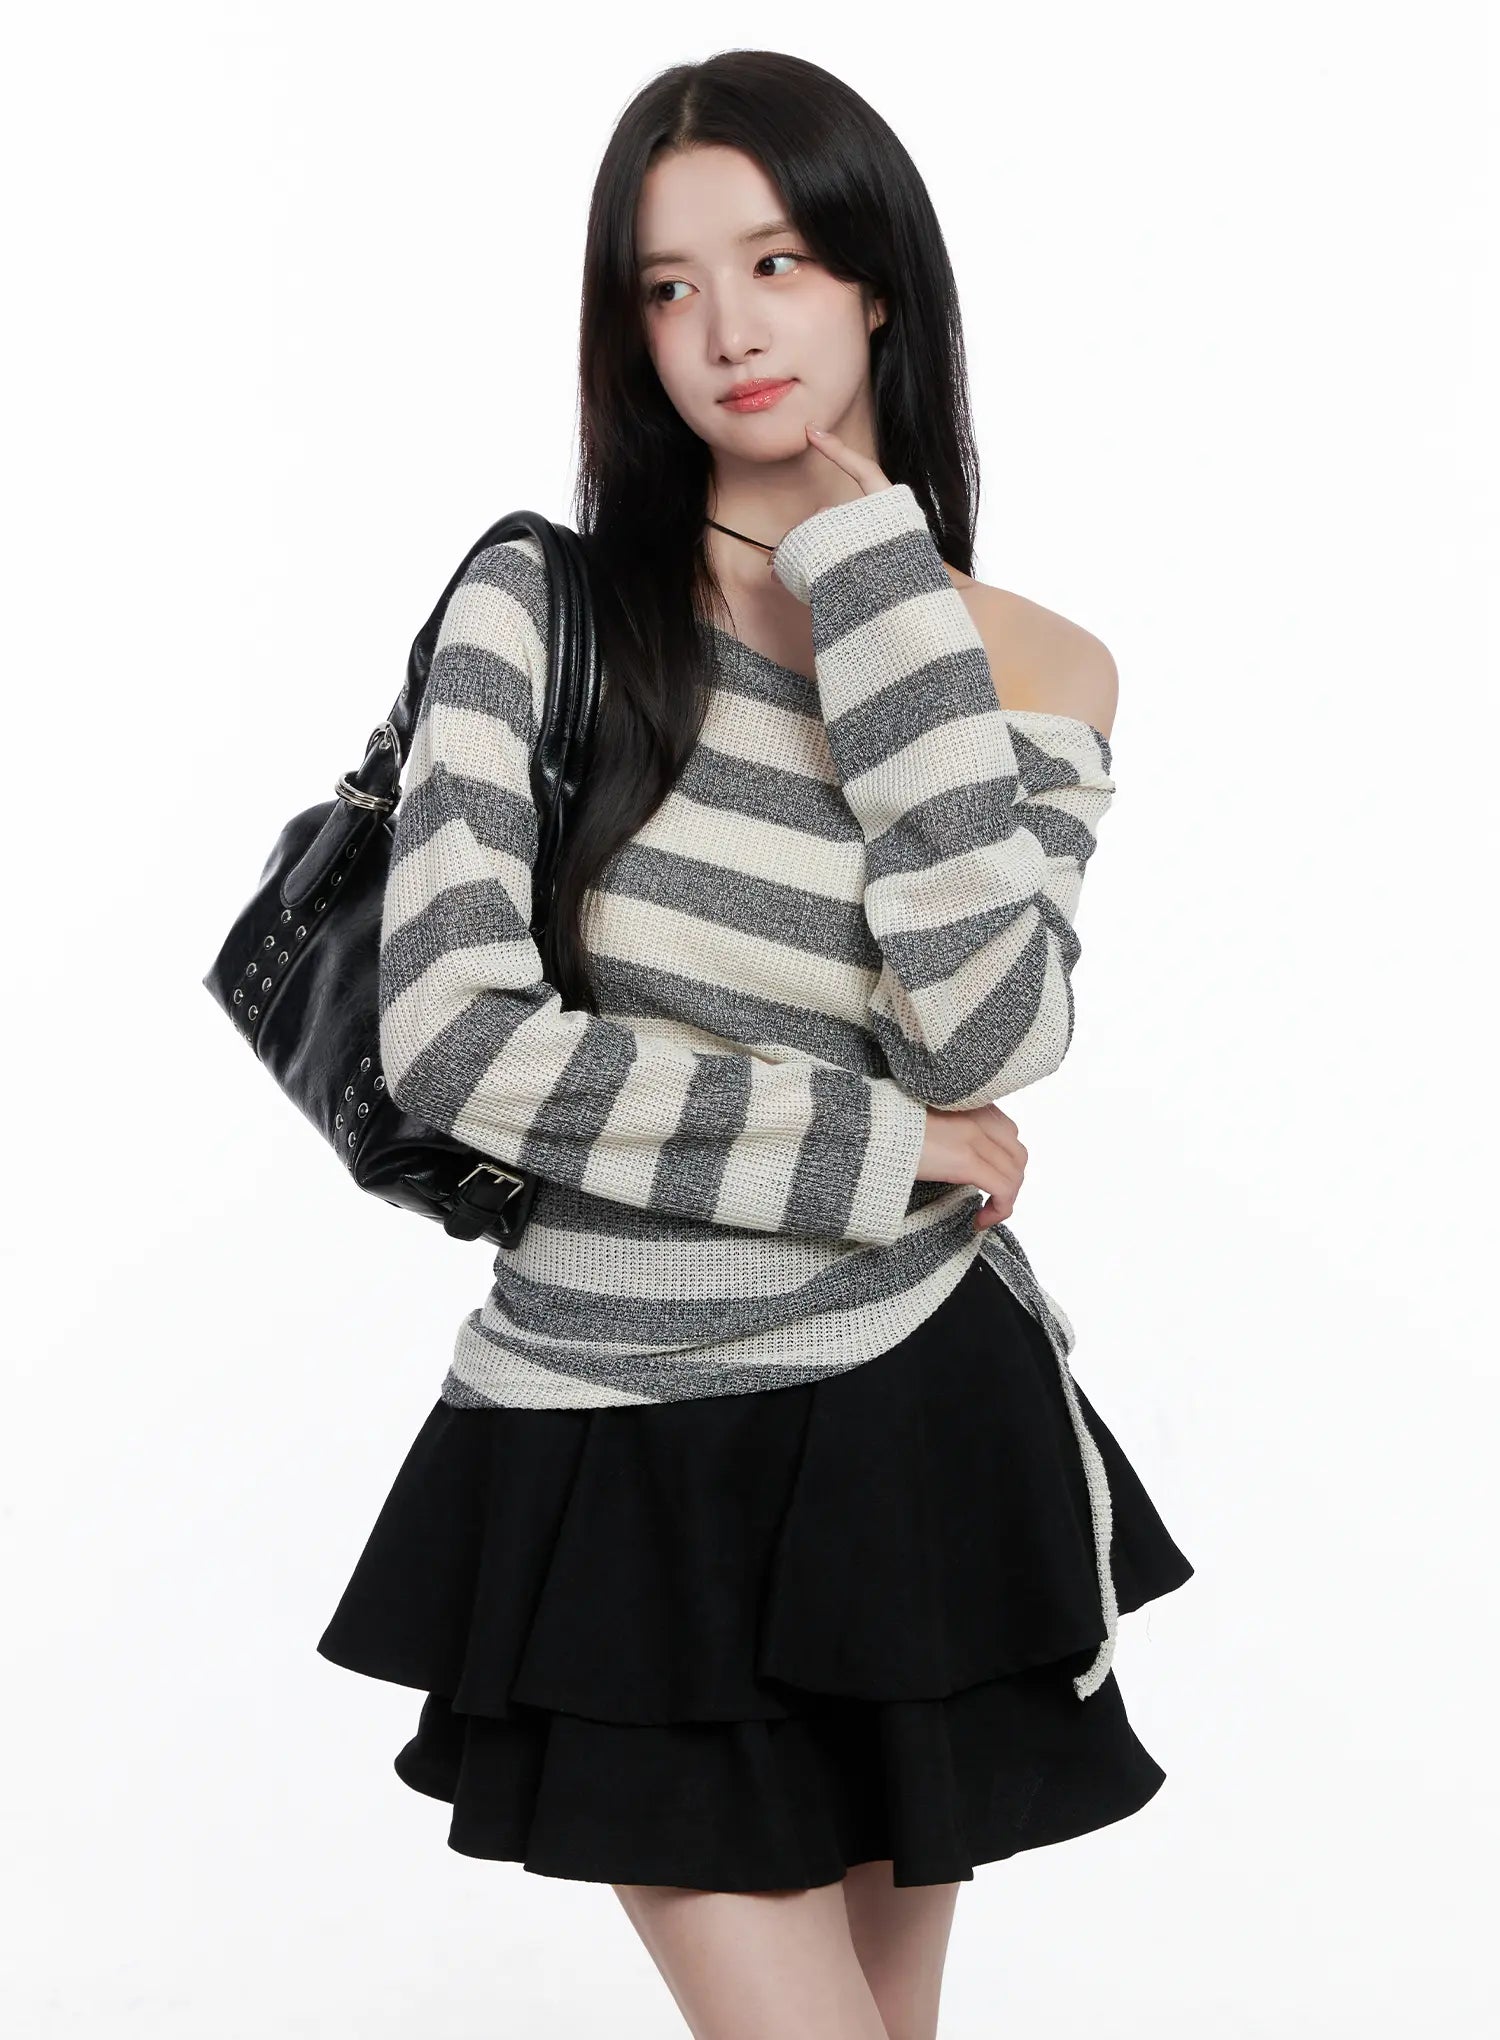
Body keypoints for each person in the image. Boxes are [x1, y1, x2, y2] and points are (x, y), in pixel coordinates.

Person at [316, 46, 1194, 2040]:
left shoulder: (1035, 662)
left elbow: (987, 1028)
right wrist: (878, 1146)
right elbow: (455, 1038)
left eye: (777, 261)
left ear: (876, 281)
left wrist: (877, 587)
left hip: (909, 1415)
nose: (727, 328)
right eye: (668, 284)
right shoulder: (545, 608)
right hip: (610, 1430)